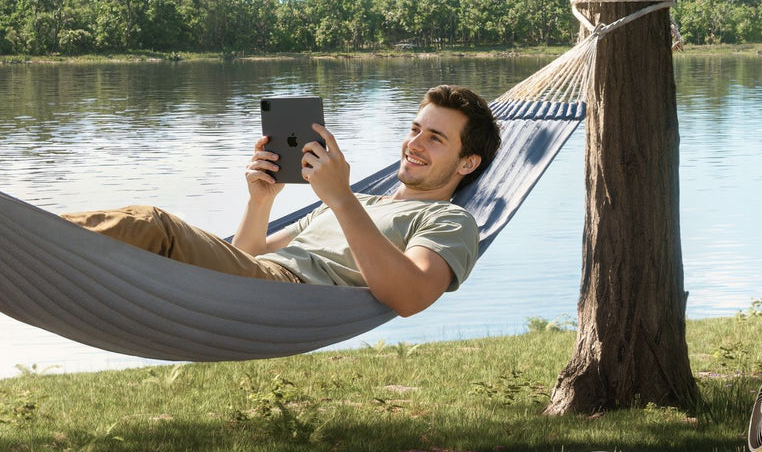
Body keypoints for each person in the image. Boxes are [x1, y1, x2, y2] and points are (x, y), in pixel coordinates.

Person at [62, 85, 501, 317]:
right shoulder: (353, 200)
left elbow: (409, 296)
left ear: (467, 163)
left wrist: (342, 199)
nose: (414, 143)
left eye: (436, 138)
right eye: (414, 129)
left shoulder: (449, 221)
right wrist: (262, 200)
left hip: (286, 297)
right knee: (151, 229)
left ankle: (32, 238)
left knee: (152, 225)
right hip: (256, 280)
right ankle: (32, 240)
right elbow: (246, 258)